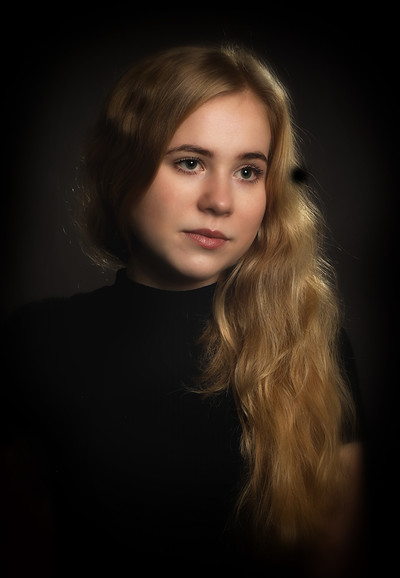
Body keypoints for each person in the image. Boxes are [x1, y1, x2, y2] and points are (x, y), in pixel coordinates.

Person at [1, 44, 366, 577]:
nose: (220, 200)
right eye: (190, 163)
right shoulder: (35, 342)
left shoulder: (313, 347)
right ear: (122, 169)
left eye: (248, 171)